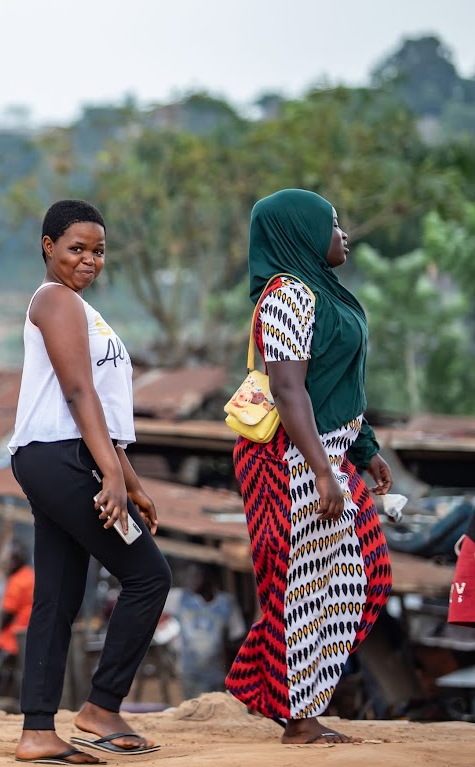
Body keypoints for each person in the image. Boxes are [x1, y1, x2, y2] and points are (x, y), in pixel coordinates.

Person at [225, 189, 394, 745]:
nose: (344, 234)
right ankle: (298, 717)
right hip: (289, 461)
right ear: (300, 232)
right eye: (333, 223)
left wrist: (363, 449)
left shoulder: (322, 291)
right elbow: (289, 388)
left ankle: (270, 684)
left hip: (328, 456)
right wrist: (324, 472)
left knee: (362, 578)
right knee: (302, 586)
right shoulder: (287, 296)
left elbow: (337, 383)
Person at [8, 199, 170, 764]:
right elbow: (79, 396)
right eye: (77, 248)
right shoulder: (53, 299)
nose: (89, 260)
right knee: (149, 575)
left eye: (98, 251)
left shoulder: (79, 308)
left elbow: (100, 409)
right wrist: (109, 475)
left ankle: (36, 730)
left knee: (57, 594)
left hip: (64, 458)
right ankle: (102, 707)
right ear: (48, 247)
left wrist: (131, 479)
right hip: (62, 459)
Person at [164, 564, 246, 700]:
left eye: (196, 576)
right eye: (189, 576)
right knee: (195, 713)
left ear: (209, 578)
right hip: (190, 674)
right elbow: (153, 599)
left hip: (217, 676)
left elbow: (237, 636)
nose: (190, 581)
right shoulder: (180, 598)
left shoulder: (226, 604)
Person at [0, 544, 34, 659]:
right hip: (29, 634)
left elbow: (7, 614)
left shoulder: (16, 581)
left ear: (14, 562)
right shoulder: (30, 575)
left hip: (13, 638)